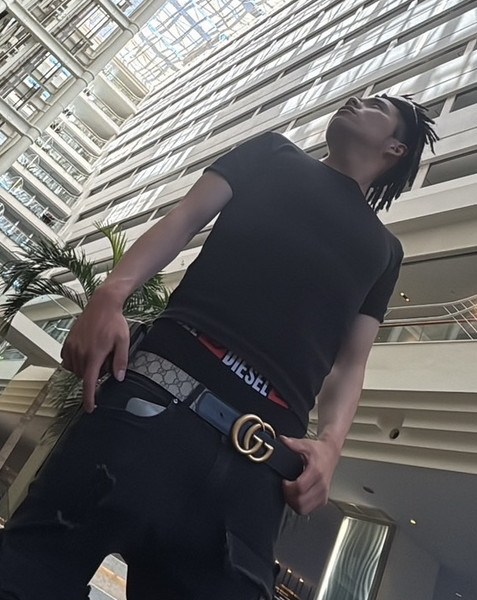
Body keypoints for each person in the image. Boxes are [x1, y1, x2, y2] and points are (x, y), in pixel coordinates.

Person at [0, 94, 438, 600]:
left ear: (396, 148)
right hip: (151, 406)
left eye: (377, 107)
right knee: (26, 579)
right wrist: (110, 296)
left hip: (258, 471)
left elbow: (350, 364)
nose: (357, 99)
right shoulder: (272, 153)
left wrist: (332, 445)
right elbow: (183, 220)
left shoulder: (385, 252)